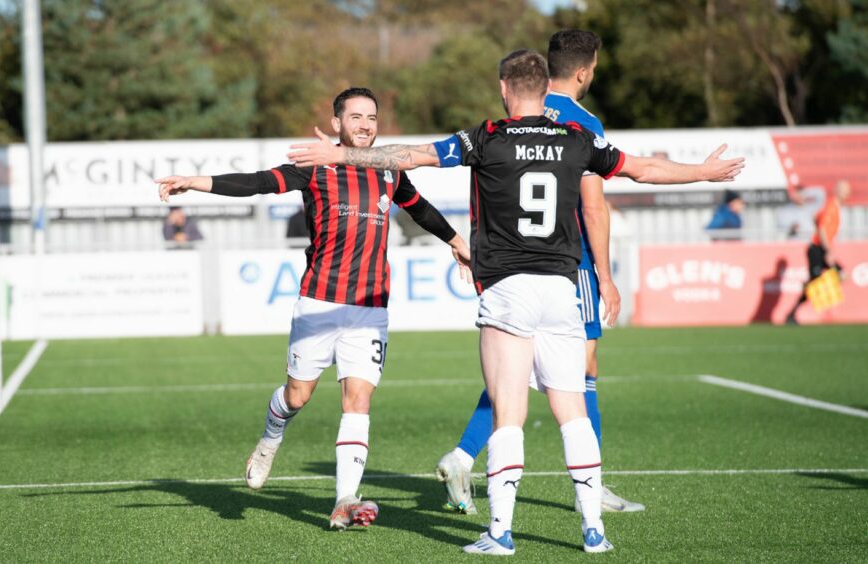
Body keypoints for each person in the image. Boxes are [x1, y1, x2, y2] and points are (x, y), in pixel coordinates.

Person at [289, 51, 743, 555]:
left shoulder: (486, 136)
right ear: (543, 87)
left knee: (509, 413)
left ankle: (500, 533)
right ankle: (594, 530)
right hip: (562, 289)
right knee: (572, 410)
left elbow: (410, 156)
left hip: (508, 289)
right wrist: (703, 172)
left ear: (505, 87)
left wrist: (342, 156)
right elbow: (644, 169)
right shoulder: (578, 140)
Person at [155, 87, 471, 530]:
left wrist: (456, 241)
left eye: (372, 117)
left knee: (358, 399)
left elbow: (419, 209)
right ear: (337, 122)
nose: (365, 125)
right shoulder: (318, 167)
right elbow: (258, 183)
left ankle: (345, 499)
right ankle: (269, 439)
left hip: (370, 307)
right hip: (319, 303)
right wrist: (197, 182)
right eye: (356, 117)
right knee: (297, 396)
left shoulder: (388, 171)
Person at [434, 29, 643, 517]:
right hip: (569, 264)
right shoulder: (582, 121)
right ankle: (590, 489)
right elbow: (593, 207)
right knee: (581, 369)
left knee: (517, 371)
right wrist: (606, 276)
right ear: (585, 71)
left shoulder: (517, 116)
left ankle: (463, 455)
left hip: (511, 262)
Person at [785, 179, 851, 325]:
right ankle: (793, 313)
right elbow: (821, 229)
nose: (848, 193)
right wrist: (828, 251)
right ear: (838, 191)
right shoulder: (831, 206)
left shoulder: (833, 207)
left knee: (837, 276)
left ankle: (797, 310)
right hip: (817, 249)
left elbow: (816, 219)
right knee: (830, 276)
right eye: (845, 189)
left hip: (820, 248)